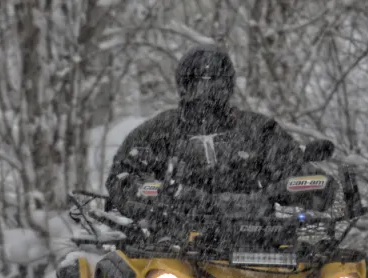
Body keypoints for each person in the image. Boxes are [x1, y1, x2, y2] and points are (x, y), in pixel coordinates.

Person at [105, 44, 304, 214]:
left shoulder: (259, 130)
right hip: (173, 235)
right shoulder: (158, 131)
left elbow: (298, 176)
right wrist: (166, 194)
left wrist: (263, 198)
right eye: (197, 84)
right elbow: (122, 180)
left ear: (228, 86)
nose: (206, 92)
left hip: (254, 234)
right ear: (184, 86)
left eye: (215, 84)